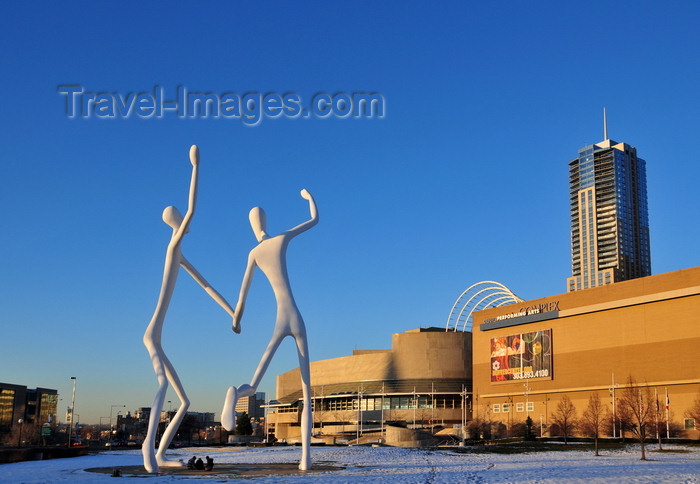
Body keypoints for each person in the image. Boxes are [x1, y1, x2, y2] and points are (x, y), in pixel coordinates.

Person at [142, 146, 236, 474]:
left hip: (156, 337)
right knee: (164, 388)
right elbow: (193, 208)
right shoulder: (173, 245)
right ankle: (146, 449)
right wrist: (195, 167)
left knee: (184, 402)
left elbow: (205, 284)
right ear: (176, 222)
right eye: (180, 220)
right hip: (152, 336)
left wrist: (232, 311)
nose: (185, 222)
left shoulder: (178, 254)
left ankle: (162, 454)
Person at [222, 188, 318, 471]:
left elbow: (242, 297)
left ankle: (235, 393)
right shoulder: (281, 238)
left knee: (253, 386)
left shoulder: (254, 253)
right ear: (266, 222)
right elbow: (314, 219)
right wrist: (307, 196)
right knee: (307, 391)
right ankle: (305, 459)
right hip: (296, 318)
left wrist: (236, 322)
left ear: (253, 228)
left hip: (278, 320)